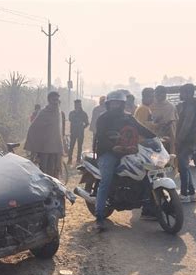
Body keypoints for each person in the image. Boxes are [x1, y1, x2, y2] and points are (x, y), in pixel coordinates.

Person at [94, 91, 156, 231]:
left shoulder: (128, 117)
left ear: (122, 104)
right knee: (106, 180)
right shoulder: (103, 118)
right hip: (108, 153)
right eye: (113, 103)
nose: (115, 105)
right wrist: (113, 147)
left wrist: (156, 138)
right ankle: (99, 217)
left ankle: (148, 205)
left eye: (118, 103)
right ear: (109, 104)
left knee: (145, 169)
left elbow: (141, 129)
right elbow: (101, 138)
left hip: (127, 150)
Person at [24, 91, 64, 178]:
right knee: (44, 172)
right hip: (44, 148)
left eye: (57, 100)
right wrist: (35, 146)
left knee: (54, 171)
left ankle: (53, 190)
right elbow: (33, 128)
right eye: (54, 100)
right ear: (49, 100)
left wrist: (61, 146)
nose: (56, 102)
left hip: (55, 148)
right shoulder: (43, 113)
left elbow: (58, 131)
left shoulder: (58, 113)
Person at [175, 83, 196, 203]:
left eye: (182, 93)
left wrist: (178, 140)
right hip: (191, 140)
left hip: (187, 140)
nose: (181, 95)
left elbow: (186, 126)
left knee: (182, 166)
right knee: (185, 166)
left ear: (189, 93)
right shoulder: (191, 105)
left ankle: (184, 194)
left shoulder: (191, 107)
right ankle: (192, 193)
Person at [150, 85, 178, 154]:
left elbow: (173, 125)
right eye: (157, 93)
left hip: (167, 137)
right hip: (153, 136)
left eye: (161, 93)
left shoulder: (170, 107)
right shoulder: (150, 105)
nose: (159, 95)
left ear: (165, 94)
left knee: (167, 157)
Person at [67, 99, 89, 165]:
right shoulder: (72, 113)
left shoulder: (84, 113)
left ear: (80, 105)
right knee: (71, 146)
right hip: (73, 132)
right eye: (75, 104)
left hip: (80, 132)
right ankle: (69, 159)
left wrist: (82, 127)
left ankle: (78, 160)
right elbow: (70, 119)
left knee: (80, 147)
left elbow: (87, 123)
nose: (77, 105)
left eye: (78, 104)